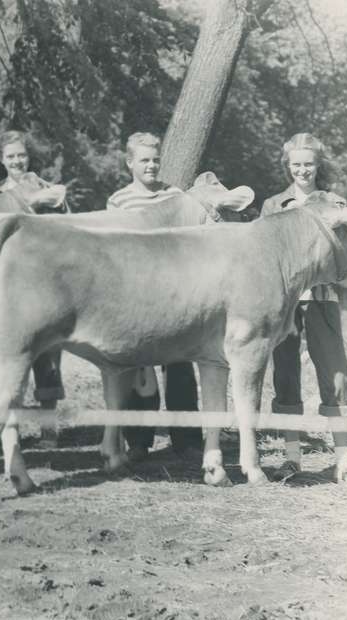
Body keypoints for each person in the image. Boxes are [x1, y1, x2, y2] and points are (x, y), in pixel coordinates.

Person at [261, 132, 347, 484]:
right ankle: (292, 460)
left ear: (319, 165)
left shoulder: (336, 202)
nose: (302, 170)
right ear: (287, 166)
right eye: (296, 164)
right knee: (285, 375)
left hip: (323, 299)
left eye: (308, 164)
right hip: (285, 303)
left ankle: (345, 461)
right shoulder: (273, 205)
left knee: (335, 374)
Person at [106, 131, 203, 460]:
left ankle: (187, 441)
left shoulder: (175, 195)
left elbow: (190, 241)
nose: (151, 166)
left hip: (175, 292)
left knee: (179, 368)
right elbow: (114, 250)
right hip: (137, 294)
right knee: (138, 369)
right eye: (144, 160)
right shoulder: (118, 201)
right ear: (129, 162)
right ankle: (138, 441)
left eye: (156, 160)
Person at [0, 130, 68, 443]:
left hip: (41, 278)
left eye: (22, 155)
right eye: (11, 156)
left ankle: (48, 428)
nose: (17, 161)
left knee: (47, 355)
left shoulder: (43, 186)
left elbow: (64, 222)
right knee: (2, 355)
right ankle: (5, 427)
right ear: (1, 160)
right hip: (3, 280)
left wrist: (52, 199)